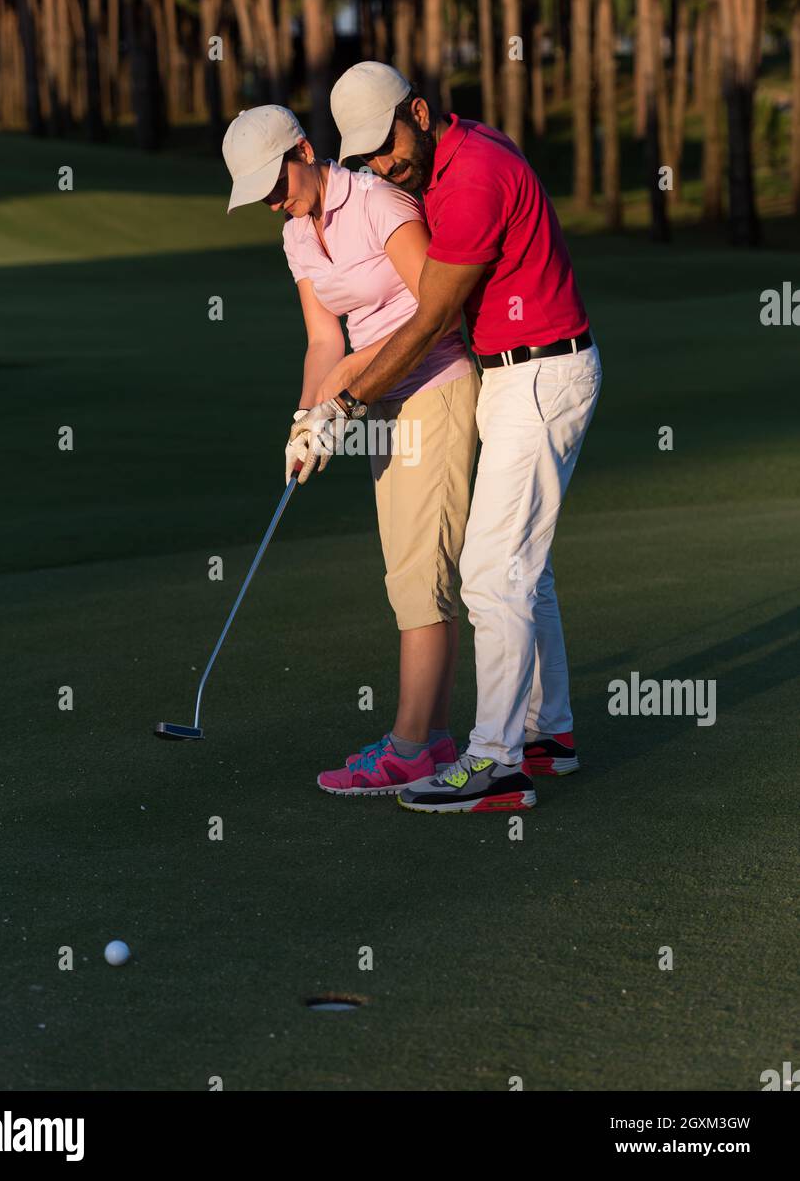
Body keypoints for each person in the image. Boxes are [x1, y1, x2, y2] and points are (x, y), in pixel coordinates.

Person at [290, 63, 602, 814]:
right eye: (363, 155)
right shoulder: (463, 149)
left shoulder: (469, 181)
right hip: (511, 374)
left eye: (387, 144)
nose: (379, 163)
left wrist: (345, 401)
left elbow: (428, 318)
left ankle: (493, 764)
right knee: (528, 569)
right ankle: (544, 737)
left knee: (491, 574)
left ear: (419, 112)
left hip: (539, 376)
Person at [222, 104, 478, 795]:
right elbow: (324, 341)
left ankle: (412, 747)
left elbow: (438, 306)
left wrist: (339, 397)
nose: (272, 200)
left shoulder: (377, 201)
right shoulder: (297, 236)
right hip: (370, 400)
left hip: (434, 388)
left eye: (274, 182)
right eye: (258, 194)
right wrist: (306, 420)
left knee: (422, 574)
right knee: (405, 571)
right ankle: (428, 736)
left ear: (304, 150)